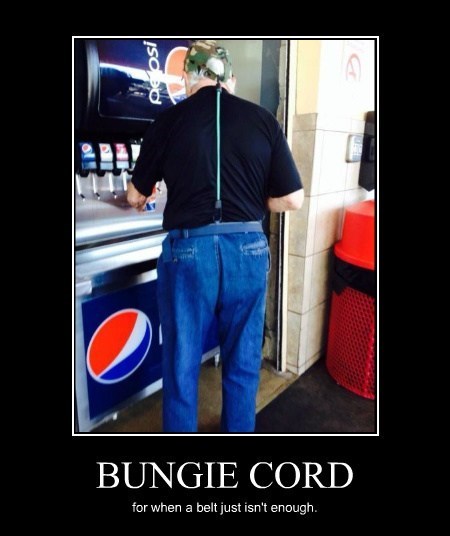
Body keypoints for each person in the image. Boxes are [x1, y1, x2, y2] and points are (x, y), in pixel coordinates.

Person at [128, 40, 303, 433]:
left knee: (181, 365)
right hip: (249, 249)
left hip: (188, 252)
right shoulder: (262, 121)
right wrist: (252, 202)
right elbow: (293, 198)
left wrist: (147, 193)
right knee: (243, 364)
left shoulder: (166, 122)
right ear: (230, 80)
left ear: (187, 79)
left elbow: (135, 195)